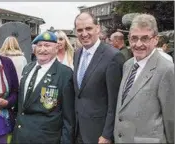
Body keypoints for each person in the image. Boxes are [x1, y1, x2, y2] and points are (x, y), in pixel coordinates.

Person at [114, 14, 174, 143]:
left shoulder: (166, 69)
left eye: (145, 38)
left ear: (155, 39)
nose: (138, 44)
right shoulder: (128, 65)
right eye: (134, 38)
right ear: (128, 39)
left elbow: (171, 120)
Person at [12, 31, 75, 143]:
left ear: (56, 49)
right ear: (34, 49)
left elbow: (68, 117)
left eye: (47, 45)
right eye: (39, 45)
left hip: (46, 139)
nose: (42, 49)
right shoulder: (27, 68)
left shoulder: (65, 73)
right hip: (21, 137)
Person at [73, 12, 125, 143]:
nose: (84, 33)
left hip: (99, 134)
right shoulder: (77, 54)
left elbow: (115, 101)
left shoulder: (113, 56)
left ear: (98, 28)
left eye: (88, 28)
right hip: (78, 130)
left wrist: (107, 134)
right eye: (80, 30)